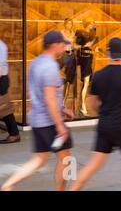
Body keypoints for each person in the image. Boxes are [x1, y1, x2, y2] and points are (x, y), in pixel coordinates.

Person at [71, 37, 121, 191]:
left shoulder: (99, 75)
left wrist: (104, 113)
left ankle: (73, 189)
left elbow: (92, 104)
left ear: (108, 53)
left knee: (93, 164)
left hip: (104, 126)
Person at [1, 31, 74, 191]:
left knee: (39, 160)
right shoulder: (50, 67)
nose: (64, 47)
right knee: (68, 159)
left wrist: (62, 109)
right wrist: (60, 125)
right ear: (54, 45)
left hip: (38, 120)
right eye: (62, 44)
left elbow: (41, 93)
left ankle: (7, 185)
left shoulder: (35, 63)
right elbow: (49, 98)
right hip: (50, 121)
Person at [0, 38, 20, 144]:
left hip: (1, 79)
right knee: (4, 108)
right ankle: (14, 133)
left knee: (5, 108)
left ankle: (14, 134)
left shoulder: (1, 46)